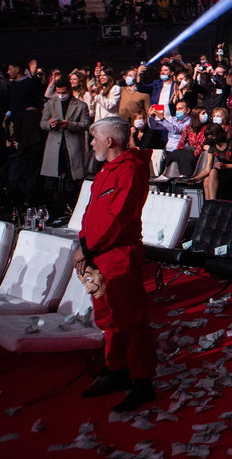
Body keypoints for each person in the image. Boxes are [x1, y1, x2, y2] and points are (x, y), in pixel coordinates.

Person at [72, 117, 156, 412]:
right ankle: (116, 371)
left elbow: (117, 218)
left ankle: (142, 381)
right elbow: (92, 213)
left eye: (95, 137)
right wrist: (85, 245)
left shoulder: (130, 170)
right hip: (100, 254)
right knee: (107, 319)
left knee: (130, 320)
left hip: (119, 254)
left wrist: (86, 247)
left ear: (110, 141)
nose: (91, 143)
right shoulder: (107, 170)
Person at [40, 77, 92, 202]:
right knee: (50, 180)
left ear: (69, 91)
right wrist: (50, 124)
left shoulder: (81, 105)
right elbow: (42, 123)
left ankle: (70, 205)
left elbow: (85, 124)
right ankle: (51, 207)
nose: (61, 95)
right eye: (58, 93)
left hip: (72, 146)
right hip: (54, 145)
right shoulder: (51, 104)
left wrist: (68, 124)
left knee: (71, 178)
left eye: (63, 93)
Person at [189, 123, 232, 201]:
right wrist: (195, 179)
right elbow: (207, 170)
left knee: (213, 171)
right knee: (206, 179)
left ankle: (213, 202)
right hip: (223, 172)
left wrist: (225, 166)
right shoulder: (212, 148)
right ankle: (208, 203)